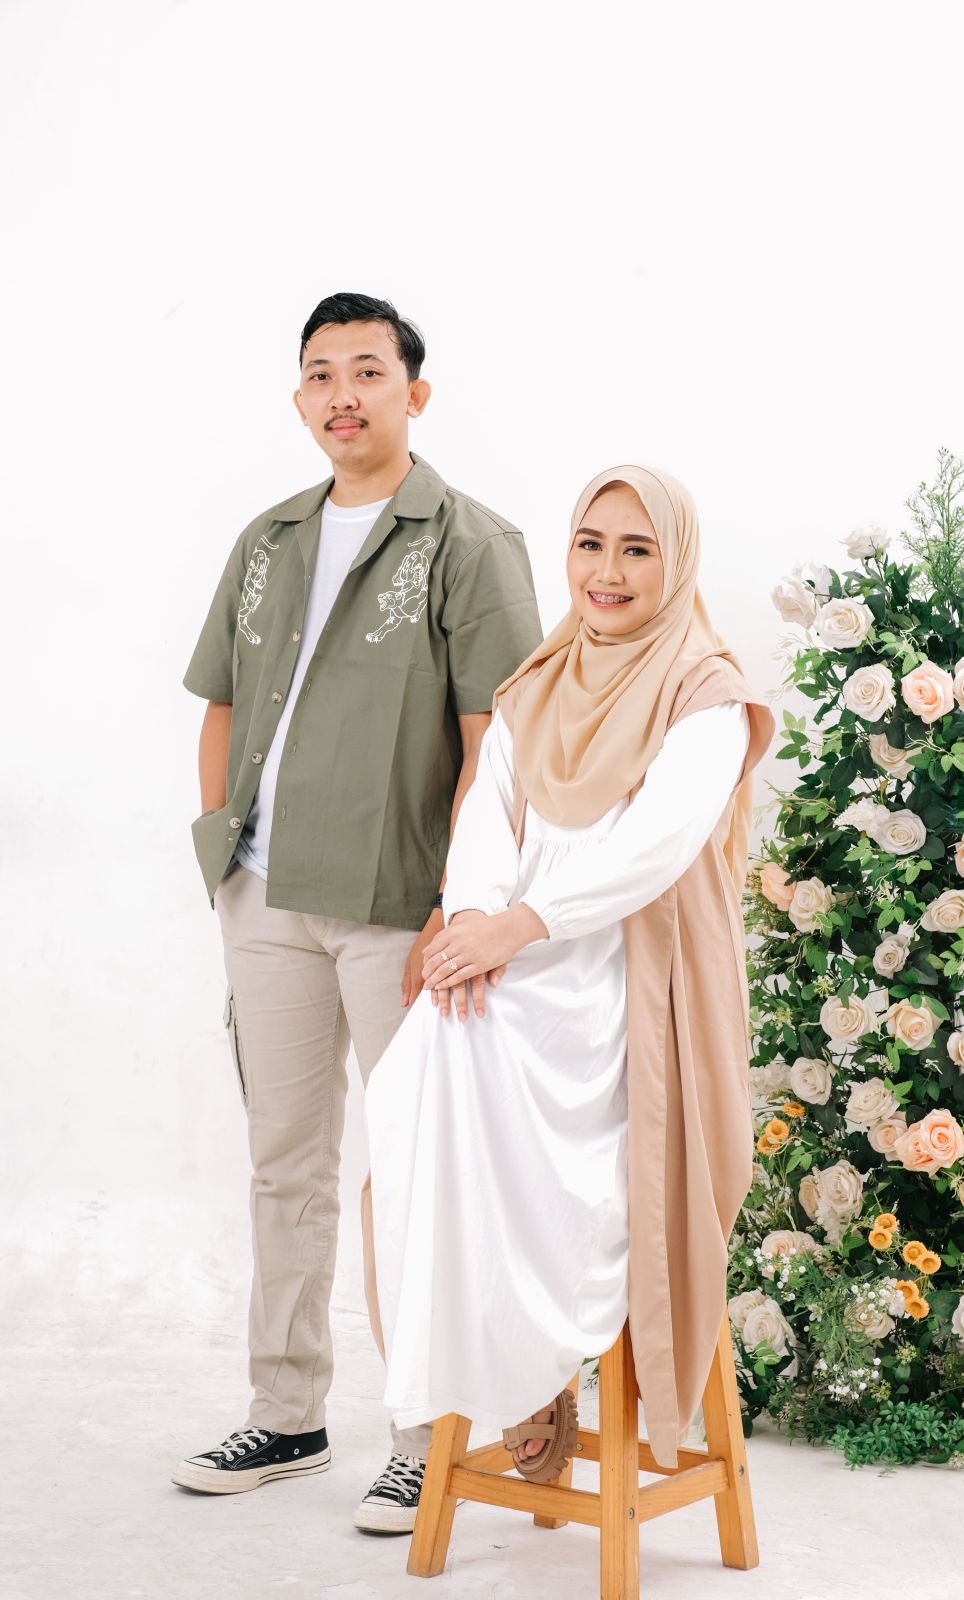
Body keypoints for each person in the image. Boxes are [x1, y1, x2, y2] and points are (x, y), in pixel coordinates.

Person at [173, 293, 542, 1533]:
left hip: (398, 908)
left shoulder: (470, 542)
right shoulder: (268, 538)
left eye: (369, 371)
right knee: (284, 1161)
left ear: (413, 393)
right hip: (264, 896)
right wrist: (221, 844)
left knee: (418, 1174)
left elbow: (497, 743)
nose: (344, 393)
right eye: (321, 373)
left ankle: (425, 1437)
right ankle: (286, 1413)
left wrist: (458, 905)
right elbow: (222, 701)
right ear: (299, 398)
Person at [362, 465, 775, 1494]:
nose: (607, 571)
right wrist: (468, 921)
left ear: (676, 563)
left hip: (630, 978)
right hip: (516, 956)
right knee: (425, 1063)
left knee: (476, 1060)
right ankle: (513, 1362)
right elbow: (486, 816)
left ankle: (537, 1350)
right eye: (590, 543)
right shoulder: (539, 683)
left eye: (637, 549)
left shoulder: (706, 695)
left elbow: (652, 848)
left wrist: (513, 926)